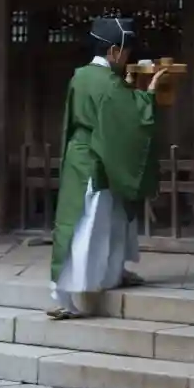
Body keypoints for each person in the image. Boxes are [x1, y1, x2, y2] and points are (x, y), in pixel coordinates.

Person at [49, 16, 166, 319]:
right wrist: (150, 94)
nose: (127, 57)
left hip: (79, 155)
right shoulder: (109, 83)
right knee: (92, 227)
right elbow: (131, 120)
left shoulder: (81, 76)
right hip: (97, 158)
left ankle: (88, 284)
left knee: (85, 222)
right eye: (125, 52)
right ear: (114, 51)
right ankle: (78, 293)